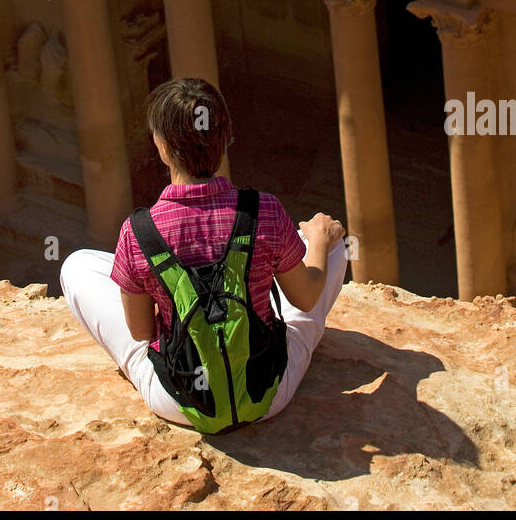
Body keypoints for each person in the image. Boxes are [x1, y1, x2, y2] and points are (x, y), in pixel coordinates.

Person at [60, 77, 347, 432]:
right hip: (268, 394)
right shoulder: (264, 210)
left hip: (179, 400)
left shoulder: (138, 232)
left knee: (78, 265)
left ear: (163, 147)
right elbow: (305, 298)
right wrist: (319, 240)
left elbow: (140, 330)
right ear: (225, 141)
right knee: (335, 247)